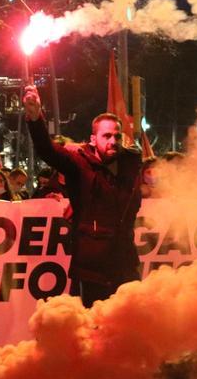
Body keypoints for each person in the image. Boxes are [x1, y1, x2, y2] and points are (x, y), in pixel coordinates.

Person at [23, 84, 143, 307]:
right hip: (91, 271)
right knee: (94, 332)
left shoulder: (130, 167)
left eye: (117, 136)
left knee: (129, 329)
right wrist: (35, 118)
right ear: (92, 139)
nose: (113, 141)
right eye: (106, 135)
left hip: (125, 266)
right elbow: (47, 150)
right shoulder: (78, 165)